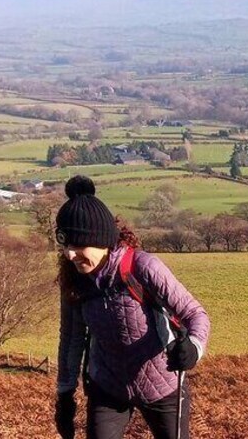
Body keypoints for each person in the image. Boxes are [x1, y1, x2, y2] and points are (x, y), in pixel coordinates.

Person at [54, 176, 210, 439]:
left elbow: (195, 314)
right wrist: (65, 395)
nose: (70, 254)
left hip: (162, 384)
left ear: (102, 240)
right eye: (66, 245)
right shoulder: (75, 281)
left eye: (79, 244)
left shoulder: (143, 267)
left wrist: (193, 347)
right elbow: (71, 339)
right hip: (108, 387)